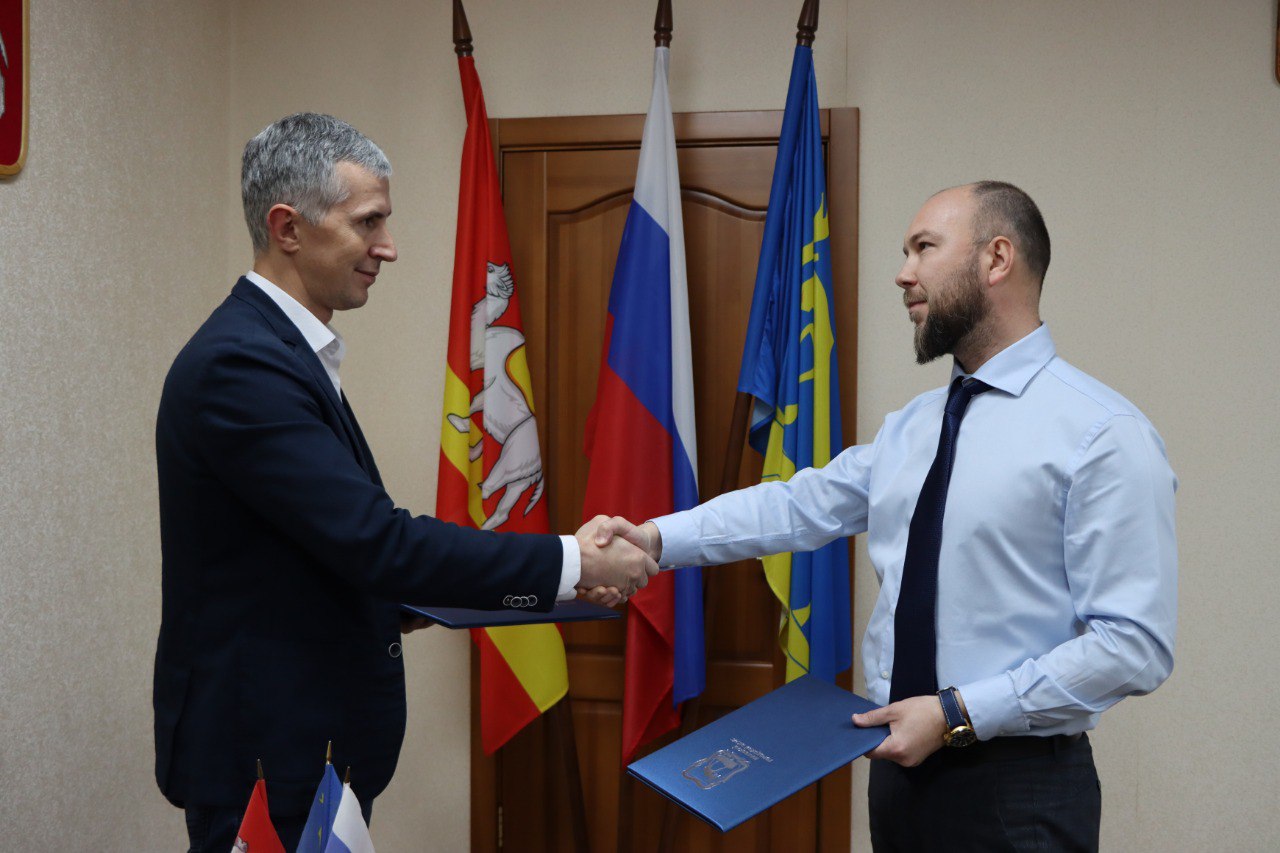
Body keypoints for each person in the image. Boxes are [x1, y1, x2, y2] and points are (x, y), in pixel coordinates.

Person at [599, 182, 1177, 851]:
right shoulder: (914, 426)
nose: (903, 273)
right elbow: (796, 504)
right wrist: (654, 539)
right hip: (898, 776)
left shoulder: (1102, 433)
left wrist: (957, 713)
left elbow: (1133, 645)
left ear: (996, 259)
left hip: (1016, 789)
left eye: (924, 248)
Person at [153, 113, 653, 852]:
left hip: (306, 759)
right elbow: (378, 542)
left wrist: (542, 589)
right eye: (368, 222)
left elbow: (317, 551)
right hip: (265, 767)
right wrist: (574, 563)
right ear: (288, 228)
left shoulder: (281, 350)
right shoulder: (241, 365)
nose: (388, 246)